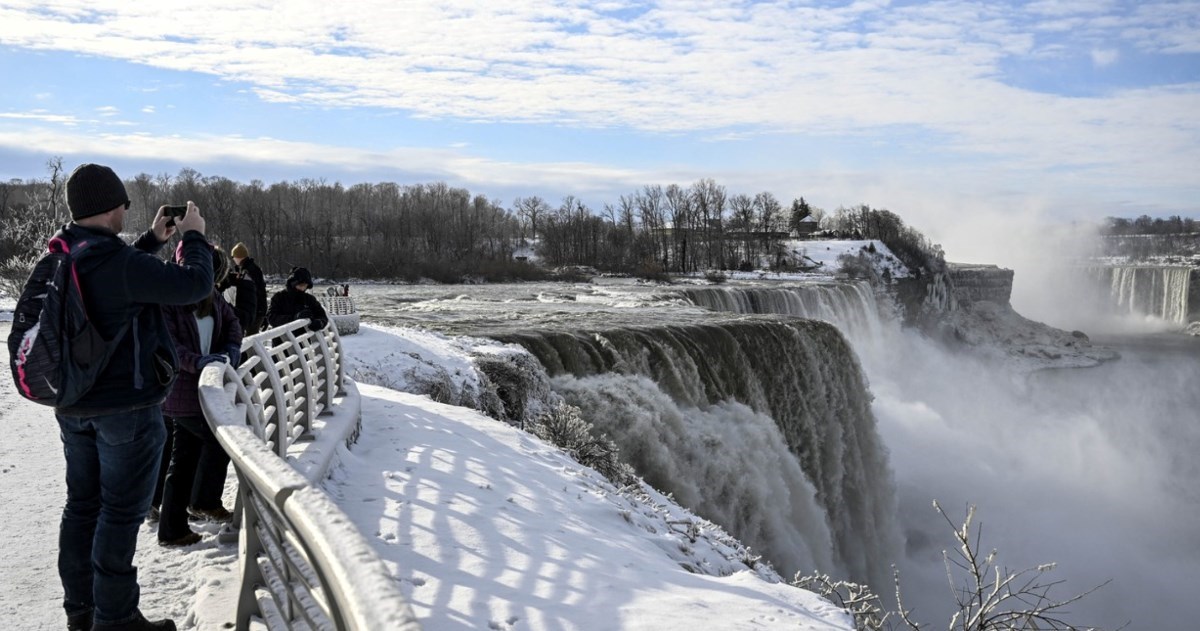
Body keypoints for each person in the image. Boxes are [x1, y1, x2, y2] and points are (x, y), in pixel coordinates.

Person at [51, 163, 213, 631]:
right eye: (122, 202)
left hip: (73, 404)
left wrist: (152, 240)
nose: (126, 208)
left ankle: (81, 613)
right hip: (126, 409)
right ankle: (117, 620)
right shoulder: (119, 265)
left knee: (81, 508)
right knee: (120, 515)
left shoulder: (65, 253)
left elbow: (113, 280)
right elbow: (195, 286)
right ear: (111, 206)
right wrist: (194, 238)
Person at [157, 245, 243, 547]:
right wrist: (198, 362)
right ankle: (199, 504)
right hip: (180, 391)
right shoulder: (167, 297)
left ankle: (175, 525)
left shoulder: (211, 294)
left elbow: (232, 322)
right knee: (215, 440)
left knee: (184, 458)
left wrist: (232, 347)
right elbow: (167, 346)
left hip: (205, 389)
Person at [266, 266, 328, 331]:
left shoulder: (309, 299)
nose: (303, 288)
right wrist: (294, 318)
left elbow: (321, 315)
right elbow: (271, 318)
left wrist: (320, 322)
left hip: (304, 338)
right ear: (292, 283)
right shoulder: (279, 297)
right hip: (283, 338)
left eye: (305, 285)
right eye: (301, 285)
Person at [229, 242, 267, 333]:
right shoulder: (247, 269)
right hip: (254, 309)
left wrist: (262, 313)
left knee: (250, 339)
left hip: (254, 310)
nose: (233, 259)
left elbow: (258, 291)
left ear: (238, 257)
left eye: (233, 257)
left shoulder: (249, 270)